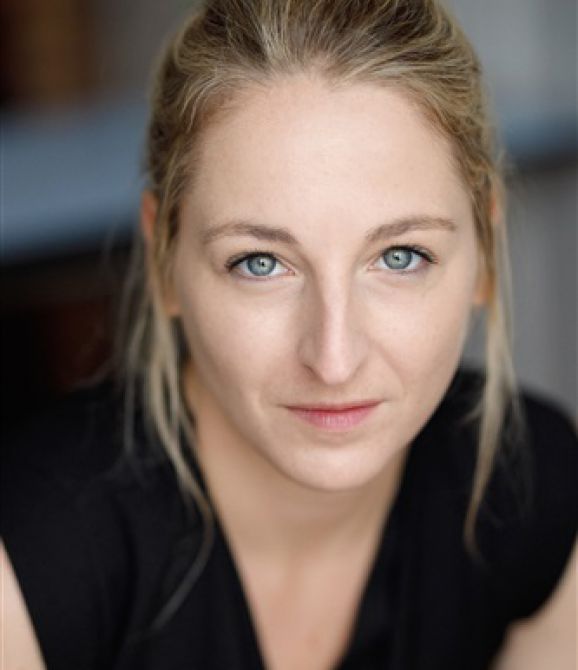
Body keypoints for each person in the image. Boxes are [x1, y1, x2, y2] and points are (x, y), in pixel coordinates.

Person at [3, 0, 576, 668]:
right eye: (260, 263)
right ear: (163, 261)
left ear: (484, 254)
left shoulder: (533, 492)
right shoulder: (33, 558)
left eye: (400, 257)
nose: (334, 359)